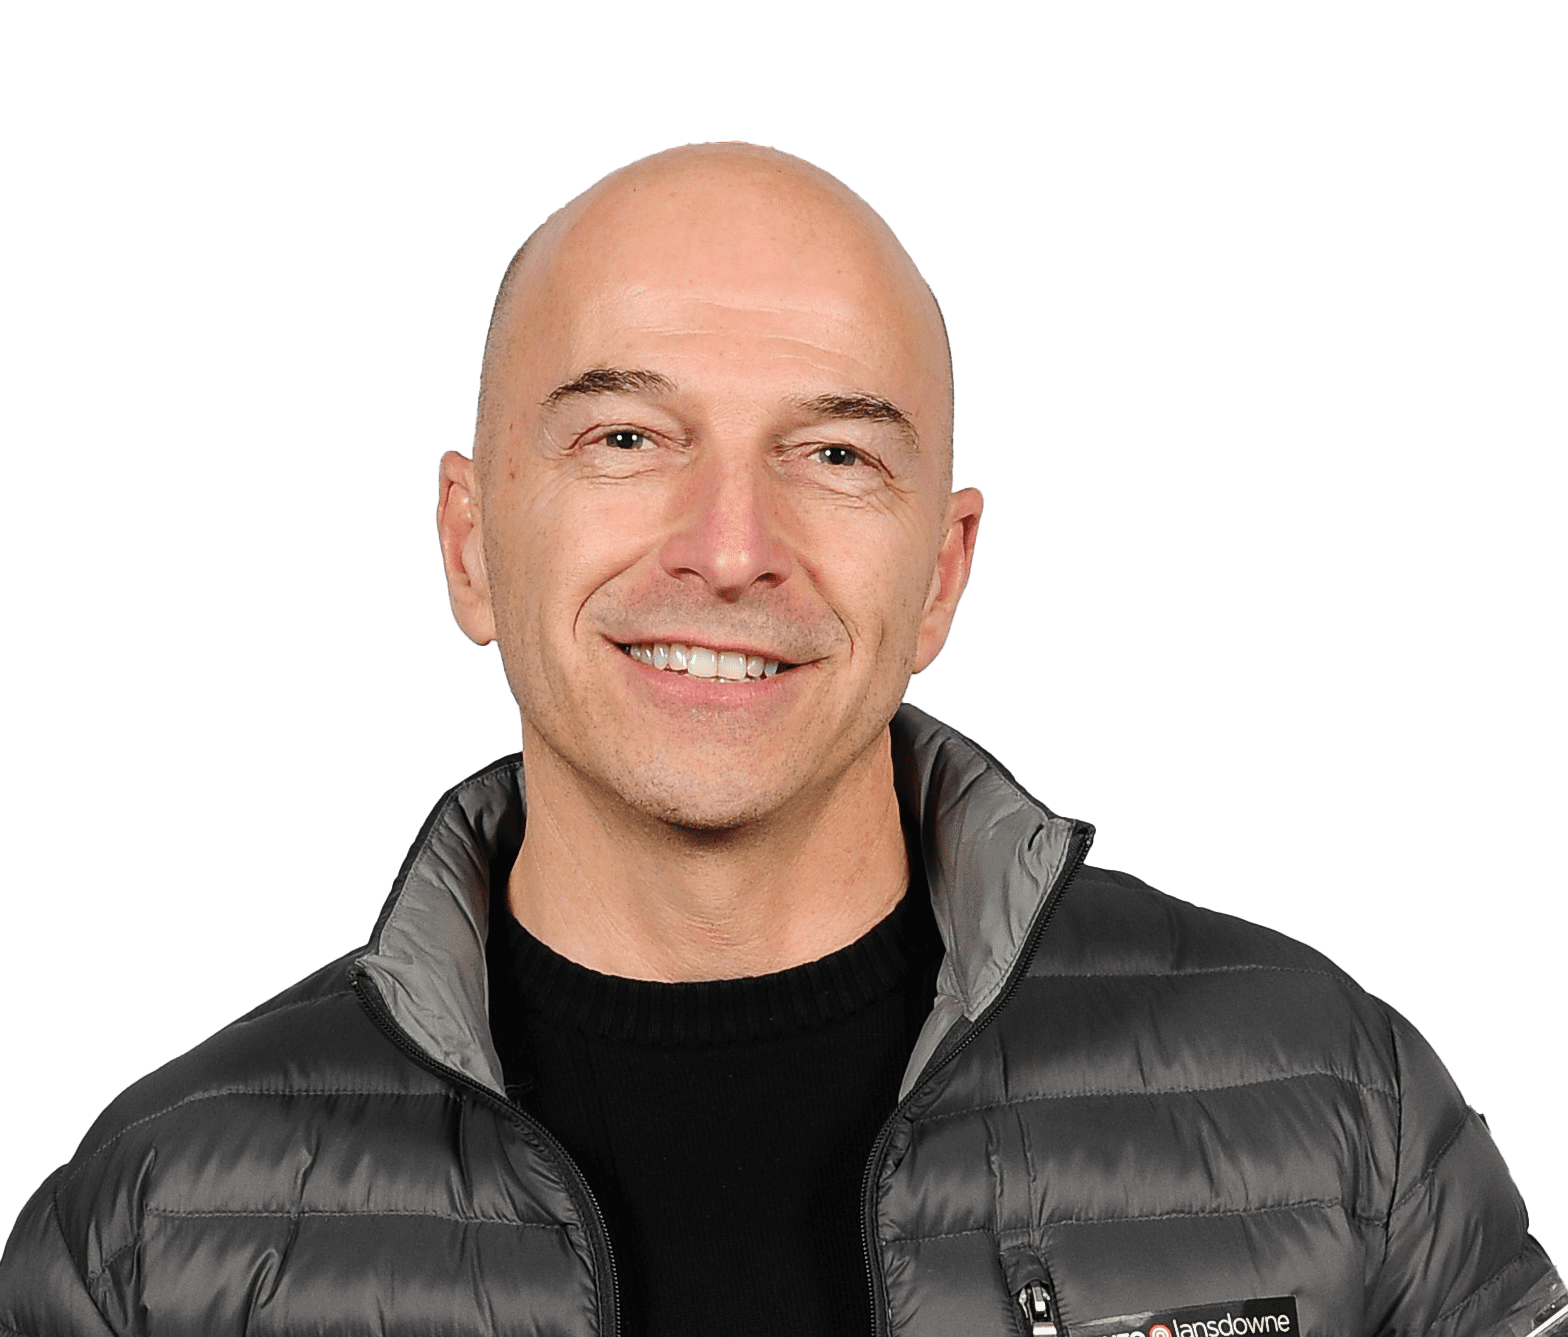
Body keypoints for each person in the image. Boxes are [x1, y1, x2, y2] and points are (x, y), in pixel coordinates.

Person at [0, 142, 1560, 1337]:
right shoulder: (162, 1221)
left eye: (832, 454)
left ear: (941, 572)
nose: (732, 549)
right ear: (471, 546)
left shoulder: (1336, 1106)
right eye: (626, 437)